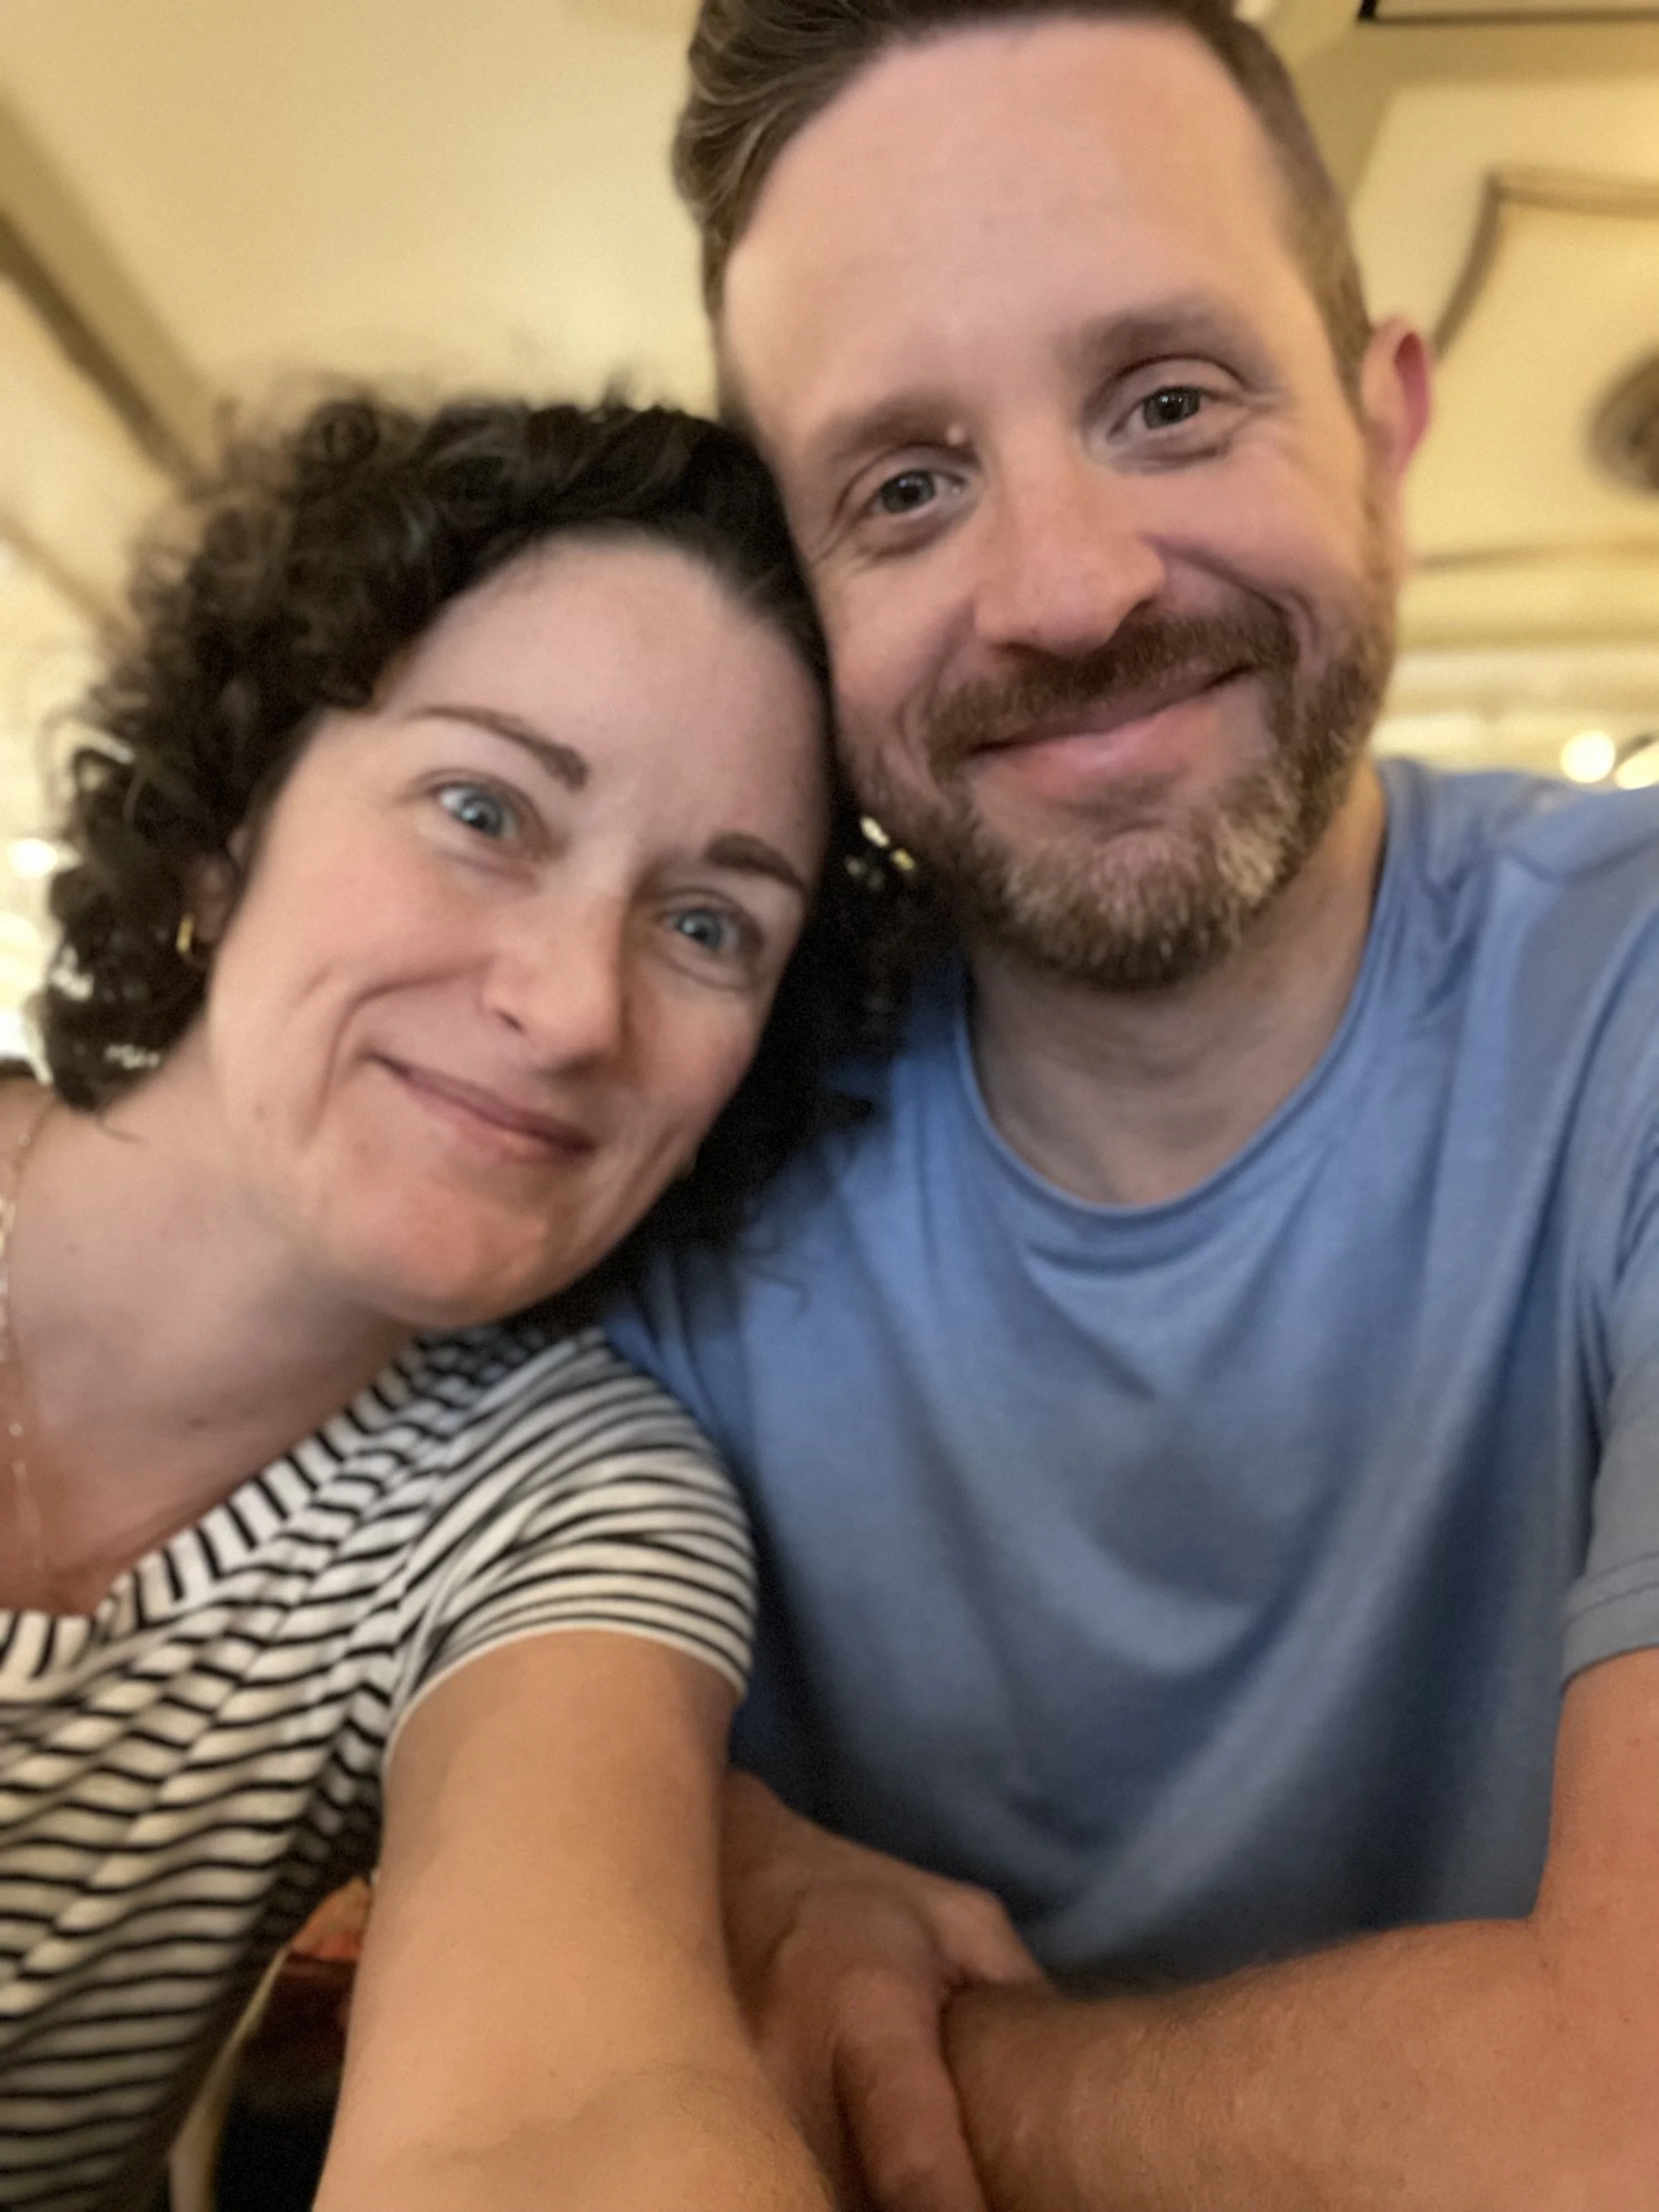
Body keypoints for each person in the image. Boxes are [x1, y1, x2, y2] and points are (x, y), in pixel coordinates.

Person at [606, 0, 1659, 2205]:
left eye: (1167, 403)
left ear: (1384, 420)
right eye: (904, 486)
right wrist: (702, 1840)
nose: (1071, 591)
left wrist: (941, 2081)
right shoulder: (652, 1116)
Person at [0, 389, 854, 2212]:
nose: (573, 1006)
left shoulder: (559, 1500)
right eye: (484, 808)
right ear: (229, 832)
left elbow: (569, 2110)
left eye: (711, 923)